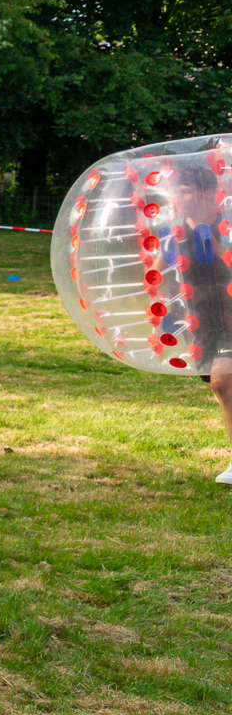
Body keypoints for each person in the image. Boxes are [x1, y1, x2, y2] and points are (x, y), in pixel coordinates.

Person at [166, 167, 232, 484]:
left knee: (223, 382)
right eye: (178, 190)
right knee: (219, 387)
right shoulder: (177, 230)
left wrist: (208, 235)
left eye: (187, 190)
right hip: (201, 319)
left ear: (208, 193)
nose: (180, 196)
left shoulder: (227, 222)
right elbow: (164, 269)